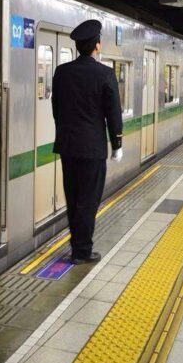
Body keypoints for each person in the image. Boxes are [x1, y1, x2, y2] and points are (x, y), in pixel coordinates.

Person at [52, 20, 123, 265]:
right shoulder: (105, 74)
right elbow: (113, 112)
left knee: (73, 197)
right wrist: (117, 144)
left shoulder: (62, 72)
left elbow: (57, 110)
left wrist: (65, 134)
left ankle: (76, 246)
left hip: (68, 147)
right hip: (93, 148)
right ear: (97, 46)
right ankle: (82, 251)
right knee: (88, 200)